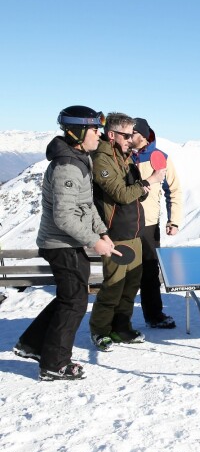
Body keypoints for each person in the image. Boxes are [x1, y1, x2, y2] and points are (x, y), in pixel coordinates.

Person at [13, 106, 116, 381]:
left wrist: (102, 232)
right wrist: (96, 242)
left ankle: (32, 344)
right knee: (74, 302)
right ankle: (54, 363)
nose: (100, 134)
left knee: (69, 298)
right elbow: (64, 217)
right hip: (61, 244)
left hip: (68, 243)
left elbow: (85, 204)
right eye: (95, 129)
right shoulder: (67, 167)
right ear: (79, 132)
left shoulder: (79, 158)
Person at [89, 113, 166, 351]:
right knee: (114, 286)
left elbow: (135, 192)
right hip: (116, 233)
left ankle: (121, 327)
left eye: (132, 134)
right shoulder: (102, 160)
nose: (131, 139)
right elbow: (121, 194)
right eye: (127, 134)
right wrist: (149, 181)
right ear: (112, 134)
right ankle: (100, 330)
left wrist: (142, 186)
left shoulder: (124, 157)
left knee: (131, 286)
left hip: (135, 230)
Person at [131, 117, 183, 328]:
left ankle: (154, 315)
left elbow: (174, 190)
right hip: (123, 223)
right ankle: (118, 321)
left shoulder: (159, 157)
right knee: (124, 275)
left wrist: (174, 220)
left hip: (149, 224)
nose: (127, 137)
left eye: (131, 134)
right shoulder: (121, 155)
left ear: (142, 136)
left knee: (150, 273)